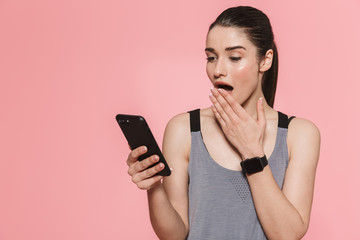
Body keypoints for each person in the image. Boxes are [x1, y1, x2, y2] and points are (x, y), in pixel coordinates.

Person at [126, 6, 320, 240]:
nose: (218, 70)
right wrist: (154, 187)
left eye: (234, 58)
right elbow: (175, 236)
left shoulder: (298, 134)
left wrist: (251, 151)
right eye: (211, 58)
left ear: (265, 60)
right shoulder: (184, 130)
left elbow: (287, 235)